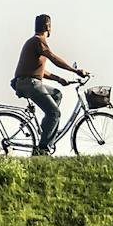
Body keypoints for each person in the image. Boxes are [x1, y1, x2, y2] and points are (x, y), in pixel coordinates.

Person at [12, 14, 88, 156]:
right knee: (55, 113)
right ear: (48, 27)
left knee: (57, 94)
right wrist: (75, 70)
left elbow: (39, 71)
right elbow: (53, 58)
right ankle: (43, 149)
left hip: (29, 82)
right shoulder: (38, 41)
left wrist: (58, 79)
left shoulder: (34, 42)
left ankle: (47, 129)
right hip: (29, 83)